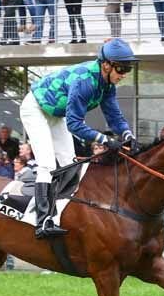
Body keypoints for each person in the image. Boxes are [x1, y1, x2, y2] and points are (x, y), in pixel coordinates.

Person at [19, 38, 138, 238]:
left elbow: (114, 116)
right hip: (35, 108)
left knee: (70, 164)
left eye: (128, 69)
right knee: (47, 164)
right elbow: (74, 125)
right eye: (122, 68)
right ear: (106, 65)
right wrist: (105, 140)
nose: (124, 74)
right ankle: (42, 221)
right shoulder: (85, 81)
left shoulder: (107, 85)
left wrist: (128, 134)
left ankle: (59, 213)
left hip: (56, 114)